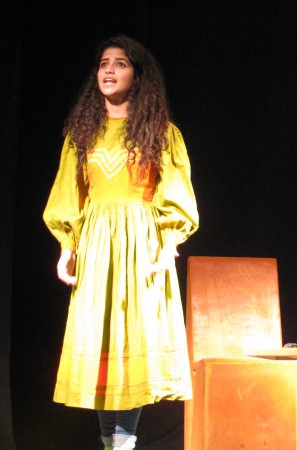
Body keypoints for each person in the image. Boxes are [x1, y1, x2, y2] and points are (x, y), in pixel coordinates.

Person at [43, 35, 199, 450]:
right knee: (100, 336)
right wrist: (66, 247)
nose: (109, 70)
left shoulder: (161, 132)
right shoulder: (81, 134)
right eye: (104, 64)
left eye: (121, 63)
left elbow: (176, 193)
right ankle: (110, 443)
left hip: (140, 243)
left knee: (133, 335)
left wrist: (168, 243)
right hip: (97, 245)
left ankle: (124, 443)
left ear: (138, 75)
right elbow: (69, 194)